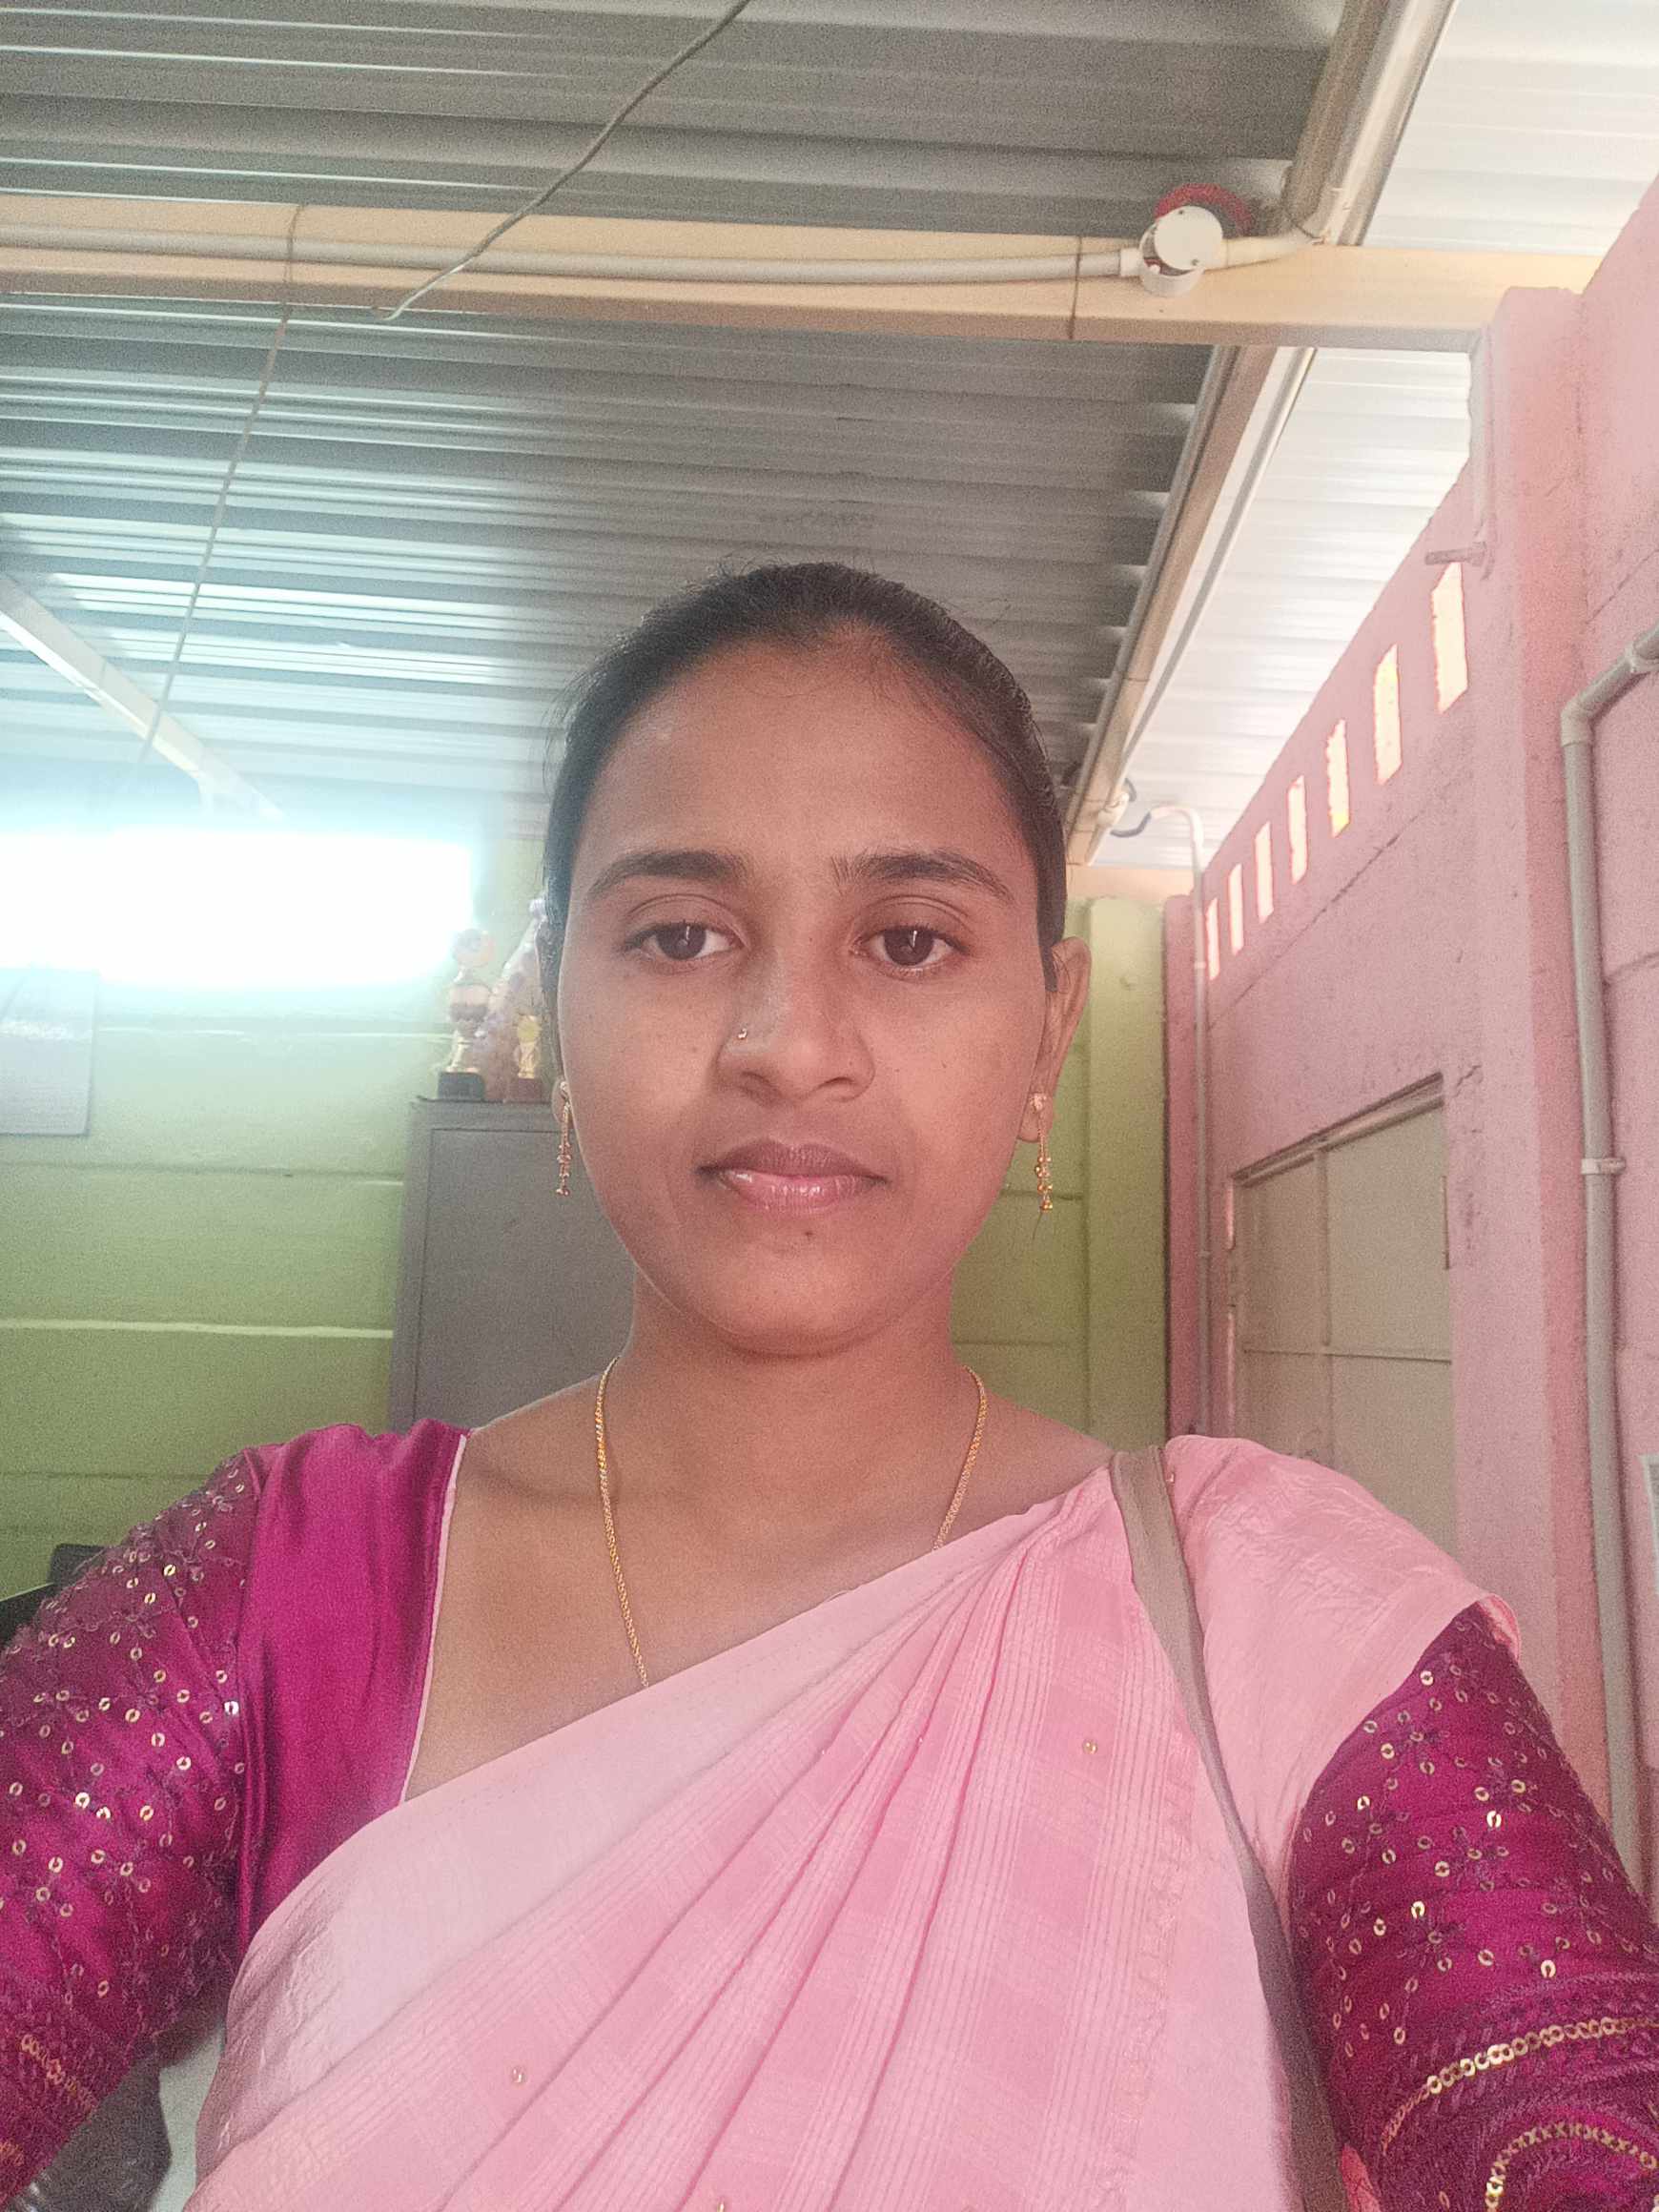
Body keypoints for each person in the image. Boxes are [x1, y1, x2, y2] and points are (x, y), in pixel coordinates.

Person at [3, 563, 1657, 2212]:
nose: (790, 1043)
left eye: (911, 941)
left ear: (1048, 1033)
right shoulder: (290, 1597)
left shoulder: (1275, 1624)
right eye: (680, 935)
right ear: (555, 996)